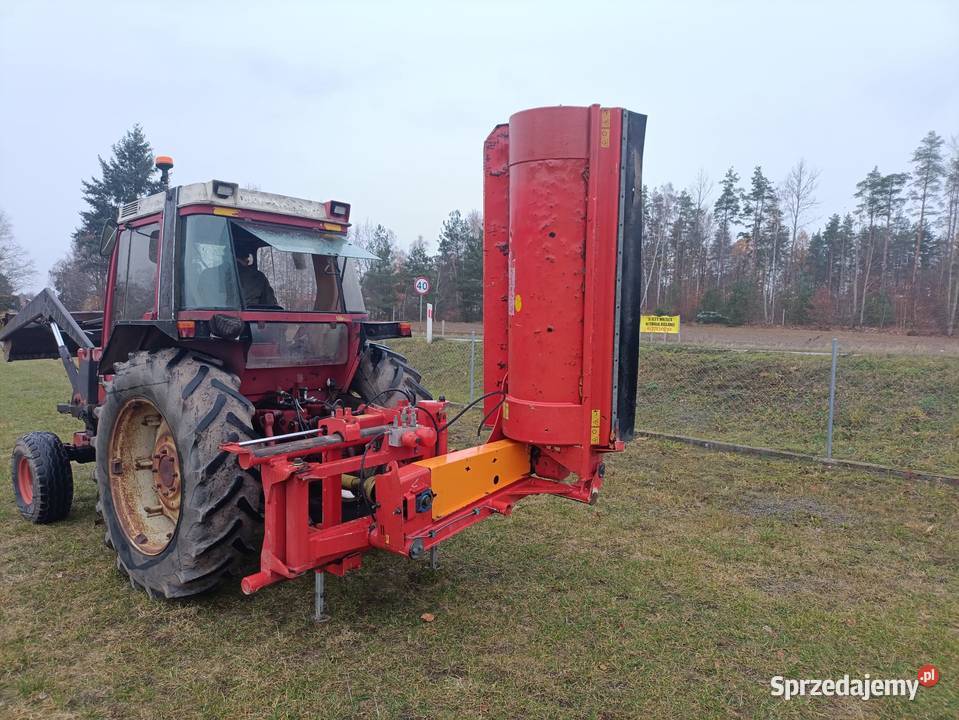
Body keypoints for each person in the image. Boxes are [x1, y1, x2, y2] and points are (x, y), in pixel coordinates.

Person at [234, 242, 279, 308]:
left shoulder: (215, 274)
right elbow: (270, 305)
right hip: (250, 317)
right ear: (247, 259)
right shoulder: (258, 277)